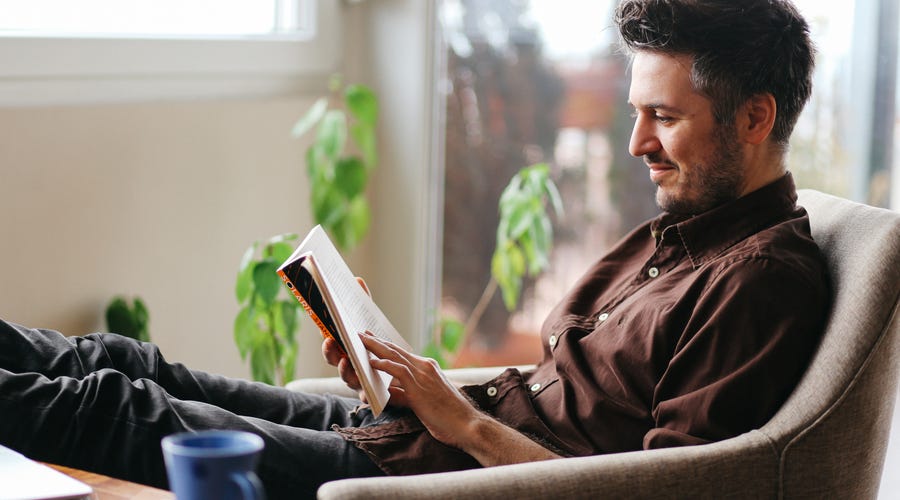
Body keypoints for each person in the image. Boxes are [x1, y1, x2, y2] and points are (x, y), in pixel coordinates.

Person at [0, 0, 828, 498]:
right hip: (416, 436)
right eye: (638, 112)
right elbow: (556, 398)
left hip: (436, 483)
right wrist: (391, 373)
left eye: (667, 118)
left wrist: (460, 422)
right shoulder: (681, 231)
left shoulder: (760, 282)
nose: (636, 142)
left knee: (111, 407)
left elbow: (643, 494)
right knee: (120, 360)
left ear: (754, 118)